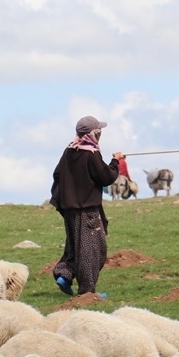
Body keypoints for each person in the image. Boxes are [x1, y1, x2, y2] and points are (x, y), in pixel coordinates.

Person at [50, 115, 124, 296]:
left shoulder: (69, 151)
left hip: (69, 210)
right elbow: (106, 177)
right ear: (94, 133)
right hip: (87, 210)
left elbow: (57, 174)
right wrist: (116, 161)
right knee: (93, 249)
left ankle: (65, 275)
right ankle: (87, 292)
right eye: (99, 131)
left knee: (75, 245)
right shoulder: (91, 154)